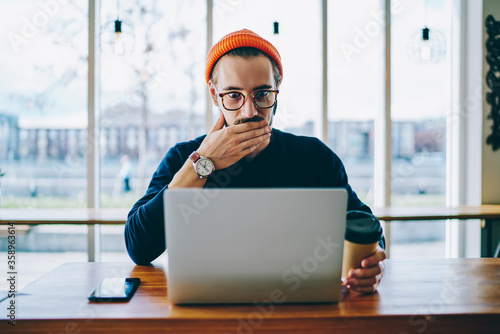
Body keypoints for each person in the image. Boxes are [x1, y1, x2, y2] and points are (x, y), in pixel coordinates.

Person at [125, 29, 386, 294]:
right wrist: (203, 163)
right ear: (215, 96)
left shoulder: (314, 157)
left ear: (276, 93)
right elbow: (139, 247)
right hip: (205, 308)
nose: (250, 111)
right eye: (234, 95)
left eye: (262, 94)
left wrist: (370, 263)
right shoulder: (184, 158)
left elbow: (363, 222)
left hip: (300, 306)